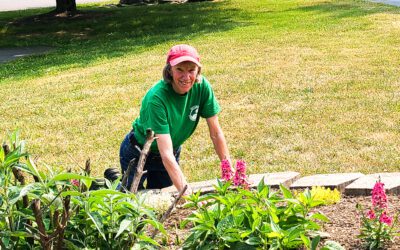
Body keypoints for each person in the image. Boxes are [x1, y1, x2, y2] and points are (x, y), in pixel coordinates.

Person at [119, 44, 231, 195]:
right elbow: (166, 153)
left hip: (169, 153)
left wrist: (229, 171)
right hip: (137, 152)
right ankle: (110, 185)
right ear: (169, 70)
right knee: (132, 200)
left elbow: (216, 134)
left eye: (191, 70)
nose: (186, 77)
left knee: (163, 200)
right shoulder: (157, 98)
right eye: (179, 69)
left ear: (198, 70)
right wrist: (189, 196)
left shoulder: (202, 87)